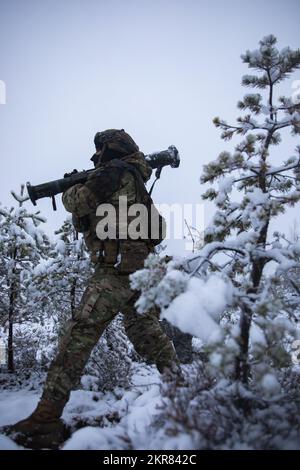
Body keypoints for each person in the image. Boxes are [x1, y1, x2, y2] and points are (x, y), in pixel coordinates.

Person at [4, 129, 179, 449]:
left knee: (78, 335)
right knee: (149, 335)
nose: (94, 156)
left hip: (114, 272)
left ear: (109, 150)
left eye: (98, 150)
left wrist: (73, 188)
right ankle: (181, 392)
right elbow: (156, 230)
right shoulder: (134, 178)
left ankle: (45, 419)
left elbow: (79, 203)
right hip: (141, 273)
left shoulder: (110, 173)